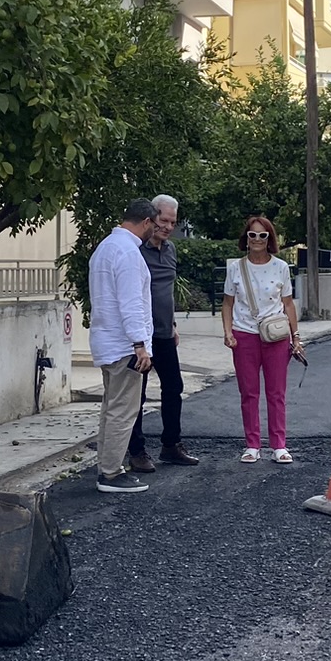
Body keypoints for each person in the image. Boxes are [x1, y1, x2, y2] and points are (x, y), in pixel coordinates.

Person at [88, 199, 159, 494]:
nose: (154, 231)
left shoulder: (105, 247)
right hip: (124, 345)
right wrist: (140, 344)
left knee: (111, 408)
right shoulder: (129, 253)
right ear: (145, 221)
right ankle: (111, 473)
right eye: (154, 225)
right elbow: (132, 304)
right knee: (122, 411)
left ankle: (106, 466)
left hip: (107, 341)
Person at [221, 214, 303, 463]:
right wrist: (227, 332)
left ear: (270, 239)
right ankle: (252, 444)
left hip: (276, 336)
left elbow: (288, 304)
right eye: (252, 235)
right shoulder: (236, 267)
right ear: (246, 238)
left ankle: (279, 445)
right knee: (249, 392)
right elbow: (227, 303)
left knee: (276, 393)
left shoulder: (280, 267)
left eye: (262, 235)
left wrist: (295, 337)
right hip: (244, 335)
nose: (257, 239)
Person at [127, 195, 197, 471]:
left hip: (166, 334)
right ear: (151, 219)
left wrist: (174, 325)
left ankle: (171, 445)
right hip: (142, 337)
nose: (167, 227)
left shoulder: (170, 251)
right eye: (163, 220)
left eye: (172, 222)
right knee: (138, 394)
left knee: (173, 388)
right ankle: (136, 451)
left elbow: (167, 292)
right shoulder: (136, 251)